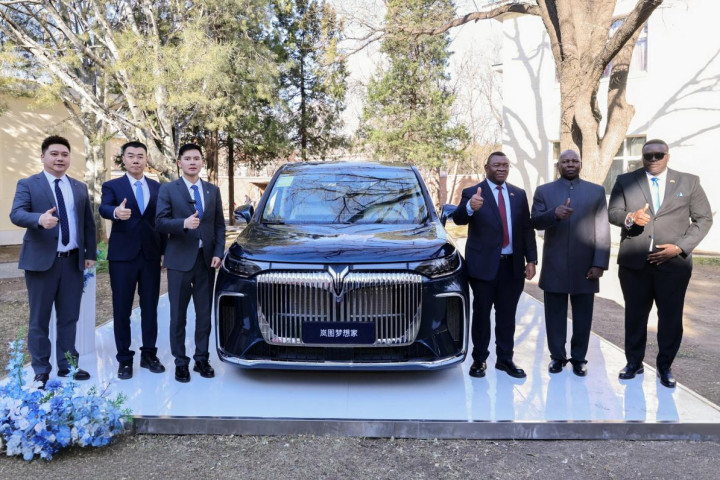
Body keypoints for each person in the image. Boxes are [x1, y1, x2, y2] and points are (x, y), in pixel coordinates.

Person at [608, 139, 712, 388]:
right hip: (635, 264)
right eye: (648, 155)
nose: (653, 159)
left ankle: (664, 366)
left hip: (673, 265)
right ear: (642, 158)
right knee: (635, 316)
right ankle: (634, 363)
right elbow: (613, 212)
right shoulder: (626, 180)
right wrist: (631, 218)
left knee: (670, 318)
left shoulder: (689, 182)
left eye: (658, 155)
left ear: (667, 156)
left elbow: (703, 219)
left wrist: (680, 247)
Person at [9, 135, 97, 387]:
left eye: (64, 154)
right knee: (39, 319)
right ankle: (41, 369)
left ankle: (68, 365)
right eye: (54, 154)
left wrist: (90, 254)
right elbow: (16, 213)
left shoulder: (79, 187)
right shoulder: (28, 184)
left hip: (72, 262)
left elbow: (87, 223)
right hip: (41, 263)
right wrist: (39, 219)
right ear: (43, 157)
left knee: (69, 317)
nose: (60, 158)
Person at [452, 151, 538, 379]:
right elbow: (459, 219)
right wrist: (470, 207)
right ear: (486, 167)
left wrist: (531, 259)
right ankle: (479, 360)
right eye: (497, 165)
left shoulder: (518, 194)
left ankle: (505, 359)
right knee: (481, 315)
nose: (501, 168)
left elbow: (526, 229)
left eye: (505, 165)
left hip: (512, 267)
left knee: (507, 316)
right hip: (483, 267)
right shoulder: (472, 192)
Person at [531, 149, 610, 376]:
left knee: (583, 316)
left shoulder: (596, 191)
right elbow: (535, 221)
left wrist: (599, 263)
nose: (570, 164)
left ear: (580, 164)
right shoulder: (544, 191)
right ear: (559, 165)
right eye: (565, 161)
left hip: (586, 265)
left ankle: (579, 358)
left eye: (575, 160)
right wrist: (554, 214)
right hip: (554, 264)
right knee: (554, 315)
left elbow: (602, 228)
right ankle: (557, 357)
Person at [156, 143, 226, 383]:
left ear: (202, 162)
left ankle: (201, 359)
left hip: (206, 261)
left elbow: (219, 225)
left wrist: (218, 252)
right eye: (188, 158)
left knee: (204, 314)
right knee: (178, 316)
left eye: (196, 158)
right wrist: (183, 224)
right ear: (180, 163)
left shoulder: (212, 191)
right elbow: (160, 222)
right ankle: (180, 362)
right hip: (179, 261)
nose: (192, 162)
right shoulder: (168, 189)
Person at [99, 141, 166, 380]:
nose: (136, 160)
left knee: (150, 308)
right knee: (122, 309)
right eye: (131, 156)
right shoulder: (112, 186)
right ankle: (124, 359)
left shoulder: (157, 187)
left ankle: (149, 355)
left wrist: (164, 251)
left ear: (146, 159)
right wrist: (116, 212)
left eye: (140, 156)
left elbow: (161, 221)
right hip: (122, 257)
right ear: (123, 159)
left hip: (150, 256)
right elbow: (104, 208)